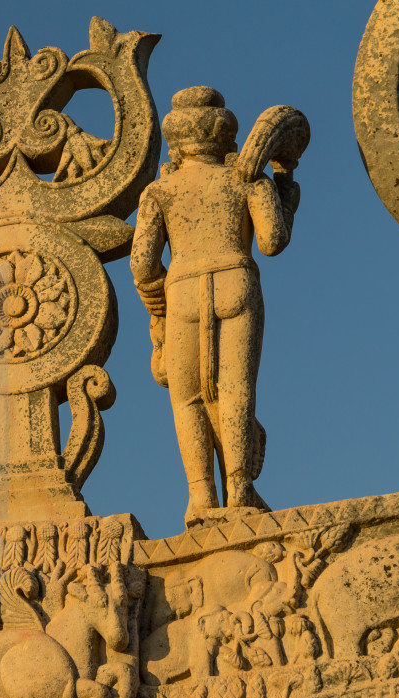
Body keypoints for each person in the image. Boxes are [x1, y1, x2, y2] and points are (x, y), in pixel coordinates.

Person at [131, 86, 301, 527]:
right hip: (236, 279)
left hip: (182, 288)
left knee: (187, 397)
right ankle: (240, 488)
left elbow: (143, 267)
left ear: (177, 144)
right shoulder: (248, 179)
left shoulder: (160, 191)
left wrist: (158, 311)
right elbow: (273, 241)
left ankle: (201, 497)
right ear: (226, 138)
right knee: (235, 389)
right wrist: (285, 192)